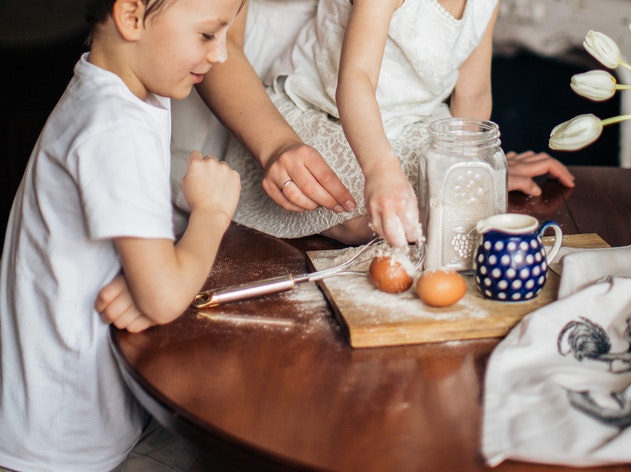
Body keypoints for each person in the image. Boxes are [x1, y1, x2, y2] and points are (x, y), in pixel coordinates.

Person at [0, 0, 241, 470]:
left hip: (63, 415)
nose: (222, 56)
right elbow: (166, 298)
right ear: (131, 17)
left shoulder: (119, 90)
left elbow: (137, 249)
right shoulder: (114, 129)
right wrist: (210, 214)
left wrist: (146, 279)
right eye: (208, 35)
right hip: (61, 442)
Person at [171, 0, 575, 248]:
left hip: (410, 120)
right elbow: (356, 80)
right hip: (324, 111)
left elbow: (472, 95)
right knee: (373, 212)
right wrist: (381, 170)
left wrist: (476, 166)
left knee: (451, 203)